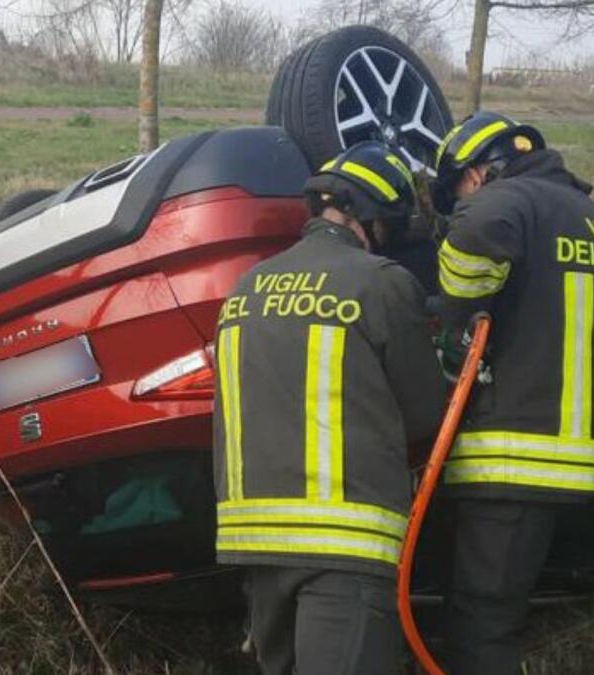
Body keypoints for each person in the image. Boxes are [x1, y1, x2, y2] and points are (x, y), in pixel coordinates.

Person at [430, 112, 594, 675]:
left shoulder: (507, 200)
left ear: (479, 172)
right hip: (582, 459)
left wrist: (457, 332)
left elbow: (472, 240)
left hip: (512, 452)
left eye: (457, 190)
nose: (460, 201)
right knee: (504, 602)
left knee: (483, 618)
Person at [211, 141, 446, 675]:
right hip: (345, 541)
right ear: (370, 218)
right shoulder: (381, 282)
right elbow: (426, 414)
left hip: (254, 540)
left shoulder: (246, 288)